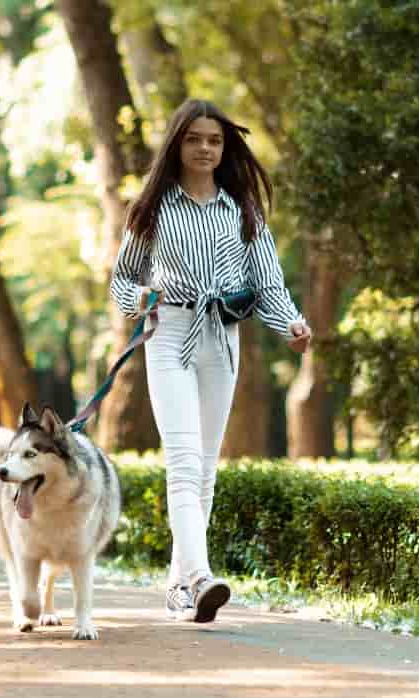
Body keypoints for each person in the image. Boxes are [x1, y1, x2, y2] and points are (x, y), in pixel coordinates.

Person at [110, 99, 312, 623]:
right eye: (195, 138)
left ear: (226, 149)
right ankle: (200, 576)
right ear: (177, 144)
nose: (205, 148)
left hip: (222, 336)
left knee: (205, 473)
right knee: (182, 461)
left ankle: (181, 588)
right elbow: (121, 279)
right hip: (170, 332)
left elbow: (267, 282)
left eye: (215, 141)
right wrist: (143, 300)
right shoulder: (151, 210)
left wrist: (290, 322)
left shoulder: (243, 211)